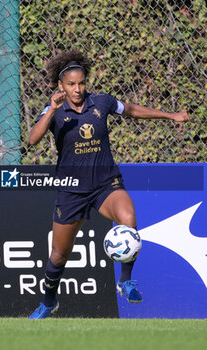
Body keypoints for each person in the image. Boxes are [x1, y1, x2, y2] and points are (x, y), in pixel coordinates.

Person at [28, 49, 190, 319]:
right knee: (59, 255)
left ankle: (125, 281)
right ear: (61, 86)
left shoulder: (101, 102)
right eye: (71, 84)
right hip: (72, 189)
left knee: (128, 217)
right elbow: (33, 139)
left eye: (81, 83)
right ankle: (49, 301)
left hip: (105, 184)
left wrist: (170, 115)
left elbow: (132, 110)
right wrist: (52, 110)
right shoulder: (53, 110)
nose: (77, 89)